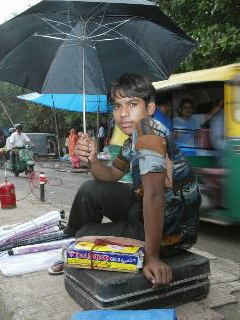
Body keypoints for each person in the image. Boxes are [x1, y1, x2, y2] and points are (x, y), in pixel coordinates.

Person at [49, 74, 201, 288]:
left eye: (132, 104)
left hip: (171, 230)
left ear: (150, 108)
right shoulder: (134, 139)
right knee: (90, 189)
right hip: (143, 210)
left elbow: (155, 195)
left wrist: (153, 257)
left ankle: (78, 244)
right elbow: (110, 174)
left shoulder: (149, 134)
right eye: (117, 106)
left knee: (85, 235)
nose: (124, 114)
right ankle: (72, 242)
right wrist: (92, 160)